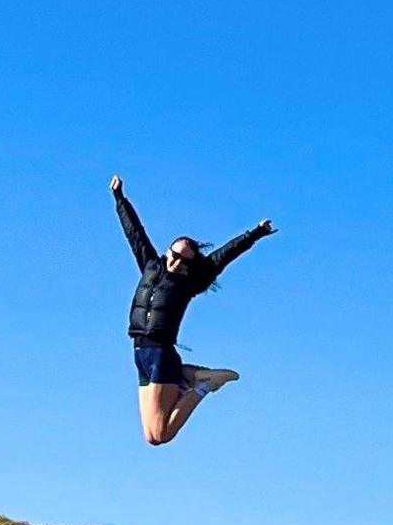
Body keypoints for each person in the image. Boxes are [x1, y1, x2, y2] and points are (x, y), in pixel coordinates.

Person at [111, 175, 276, 445]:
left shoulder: (189, 283)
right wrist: (120, 199)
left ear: (189, 264)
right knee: (150, 435)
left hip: (160, 352)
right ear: (167, 252)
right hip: (139, 352)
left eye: (183, 260)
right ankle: (189, 375)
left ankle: (203, 384)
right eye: (173, 255)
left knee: (159, 435)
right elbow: (134, 232)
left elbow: (224, 256)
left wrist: (255, 233)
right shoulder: (152, 265)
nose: (176, 261)